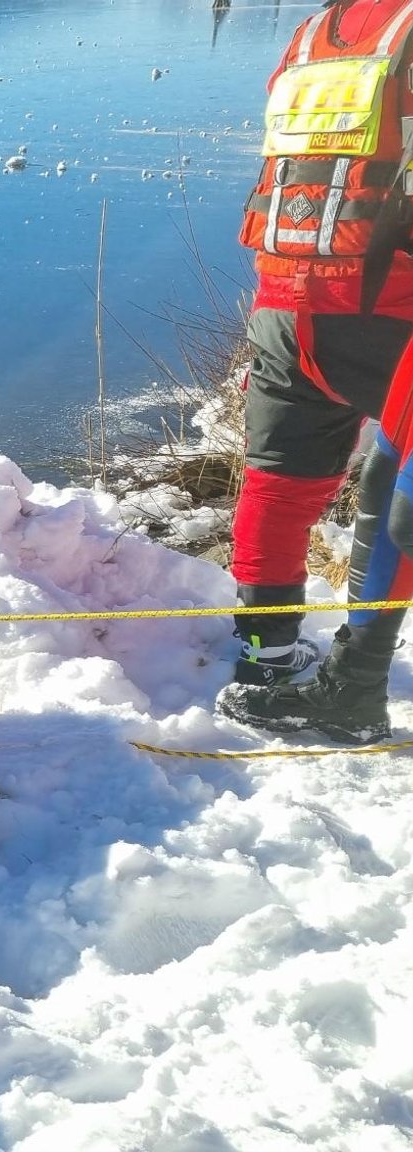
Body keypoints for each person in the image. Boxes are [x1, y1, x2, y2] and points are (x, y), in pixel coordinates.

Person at [215, 0, 413, 740]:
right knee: (397, 486)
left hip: (284, 298)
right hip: (392, 306)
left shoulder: (318, 33)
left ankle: (265, 655)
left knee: (278, 480)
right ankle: (353, 692)